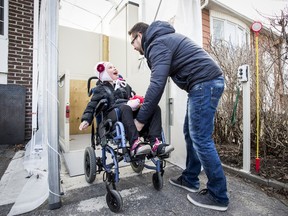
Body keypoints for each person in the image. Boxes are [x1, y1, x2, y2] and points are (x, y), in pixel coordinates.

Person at [128, 21, 229, 211]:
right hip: (201, 84)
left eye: (132, 42)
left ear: (139, 36)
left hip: (204, 83)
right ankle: (190, 178)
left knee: (200, 138)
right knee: (191, 133)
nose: (133, 47)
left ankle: (218, 195)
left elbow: (157, 84)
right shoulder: (162, 40)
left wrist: (140, 120)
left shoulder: (157, 44)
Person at [79, 61, 174, 157]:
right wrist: (86, 119)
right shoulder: (100, 89)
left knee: (154, 108)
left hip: (129, 114)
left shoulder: (124, 85)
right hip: (112, 117)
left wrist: (138, 102)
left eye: (114, 66)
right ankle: (135, 145)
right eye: (110, 67)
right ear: (103, 73)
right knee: (125, 107)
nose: (114, 68)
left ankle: (156, 144)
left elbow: (133, 97)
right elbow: (92, 105)